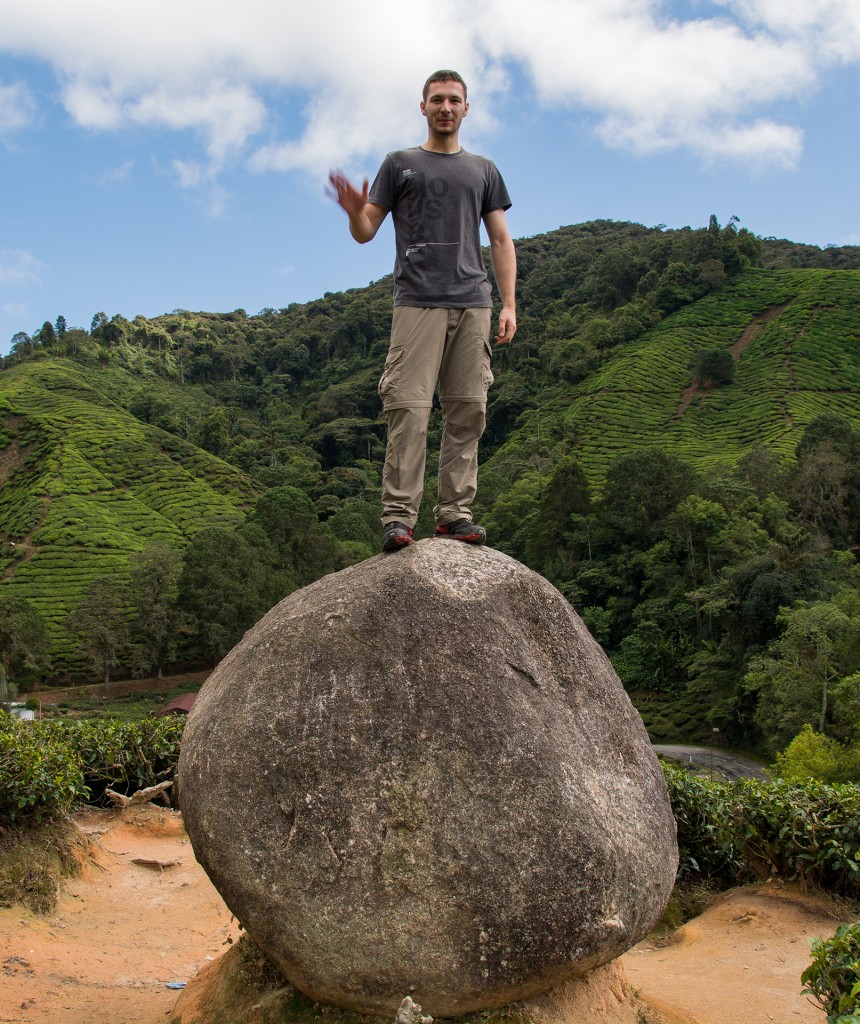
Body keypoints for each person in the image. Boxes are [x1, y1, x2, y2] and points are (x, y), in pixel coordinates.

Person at [328, 69, 517, 552]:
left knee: (468, 410)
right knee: (408, 411)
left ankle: (455, 513)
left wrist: (509, 303)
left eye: (454, 100)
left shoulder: (484, 170)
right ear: (424, 107)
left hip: (473, 302)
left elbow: (499, 239)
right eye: (437, 99)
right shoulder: (400, 164)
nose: (446, 107)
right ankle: (398, 518)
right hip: (416, 302)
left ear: (466, 108)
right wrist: (354, 210)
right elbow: (366, 230)